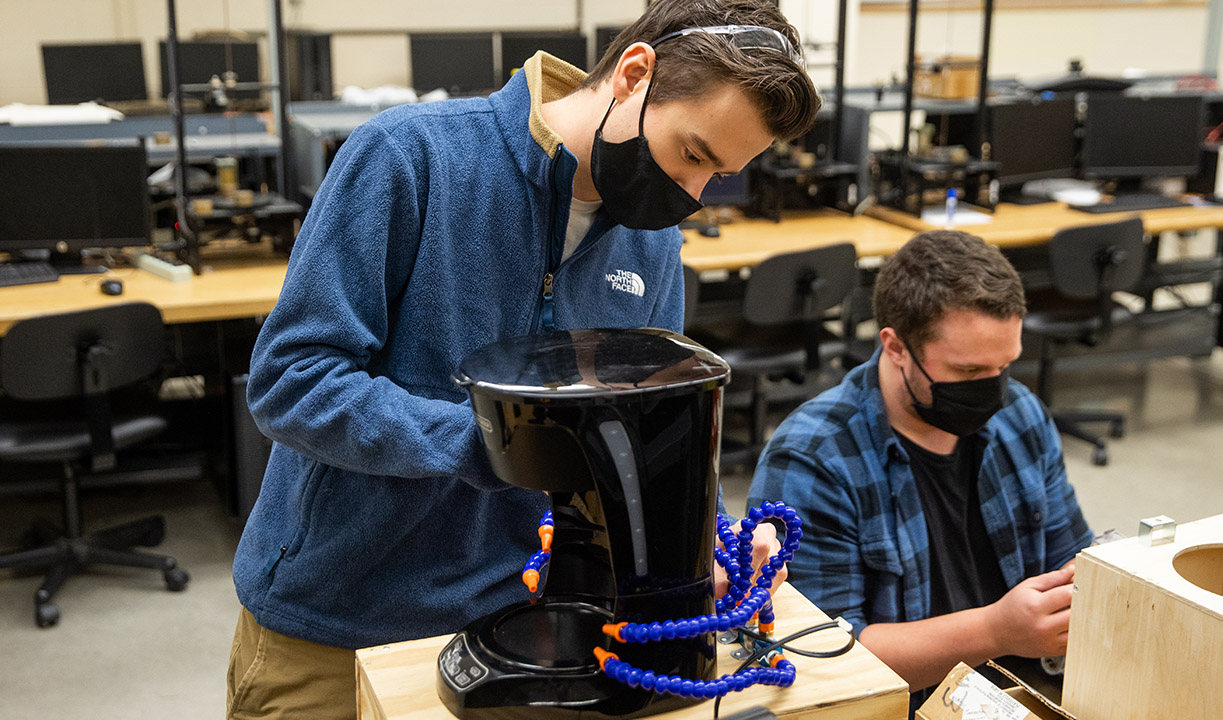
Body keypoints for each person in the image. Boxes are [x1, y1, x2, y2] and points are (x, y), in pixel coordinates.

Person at [226, 2, 821, 718]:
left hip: (527, 627)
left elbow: (650, 429)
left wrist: (699, 560)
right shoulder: (412, 157)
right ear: (634, 76)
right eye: (693, 154)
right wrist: (496, 445)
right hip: (340, 623)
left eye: (717, 175)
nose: (692, 196)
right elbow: (293, 381)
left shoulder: (651, 241)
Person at [747, 230, 1093, 708]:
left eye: (1005, 365)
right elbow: (824, 656)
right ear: (895, 347)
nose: (994, 390)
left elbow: (1073, 560)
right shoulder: (814, 459)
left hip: (1029, 692)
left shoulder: (1020, 415)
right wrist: (996, 631)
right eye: (969, 372)